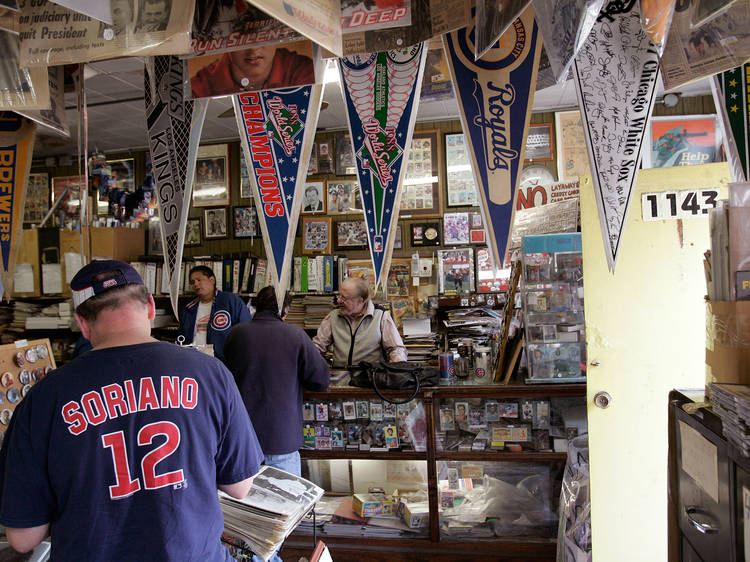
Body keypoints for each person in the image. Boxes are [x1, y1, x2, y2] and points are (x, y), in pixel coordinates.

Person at [0, 260, 263, 559]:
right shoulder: (211, 374)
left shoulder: (43, 399)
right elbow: (240, 486)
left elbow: (23, 538)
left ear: (82, 323)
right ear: (150, 306)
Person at [225, 286, 329, 478]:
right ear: (286, 310)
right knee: (285, 504)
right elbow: (321, 380)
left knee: (245, 505)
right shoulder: (295, 335)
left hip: (242, 437)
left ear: (255, 306)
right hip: (281, 436)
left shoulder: (236, 334)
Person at [313, 277, 407, 367]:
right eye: (339, 295)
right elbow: (317, 346)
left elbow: (396, 349)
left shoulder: (380, 316)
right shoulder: (333, 317)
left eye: (344, 298)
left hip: (370, 378)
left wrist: (396, 363)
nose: (338, 300)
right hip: (341, 377)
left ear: (360, 301)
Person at [178, 265, 251, 362]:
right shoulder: (188, 308)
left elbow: (246, 331)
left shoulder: (230, 301)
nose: (195, 284)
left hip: (224, 362)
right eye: (192, 282)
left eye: (199, 280)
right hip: (194, 361)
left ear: (212, 280)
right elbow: (181, 338)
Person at [190, 45, 315, 98]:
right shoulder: (199, 87)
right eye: (240, 37)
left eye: (263, 36)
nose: (254, 49)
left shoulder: (302, 71)